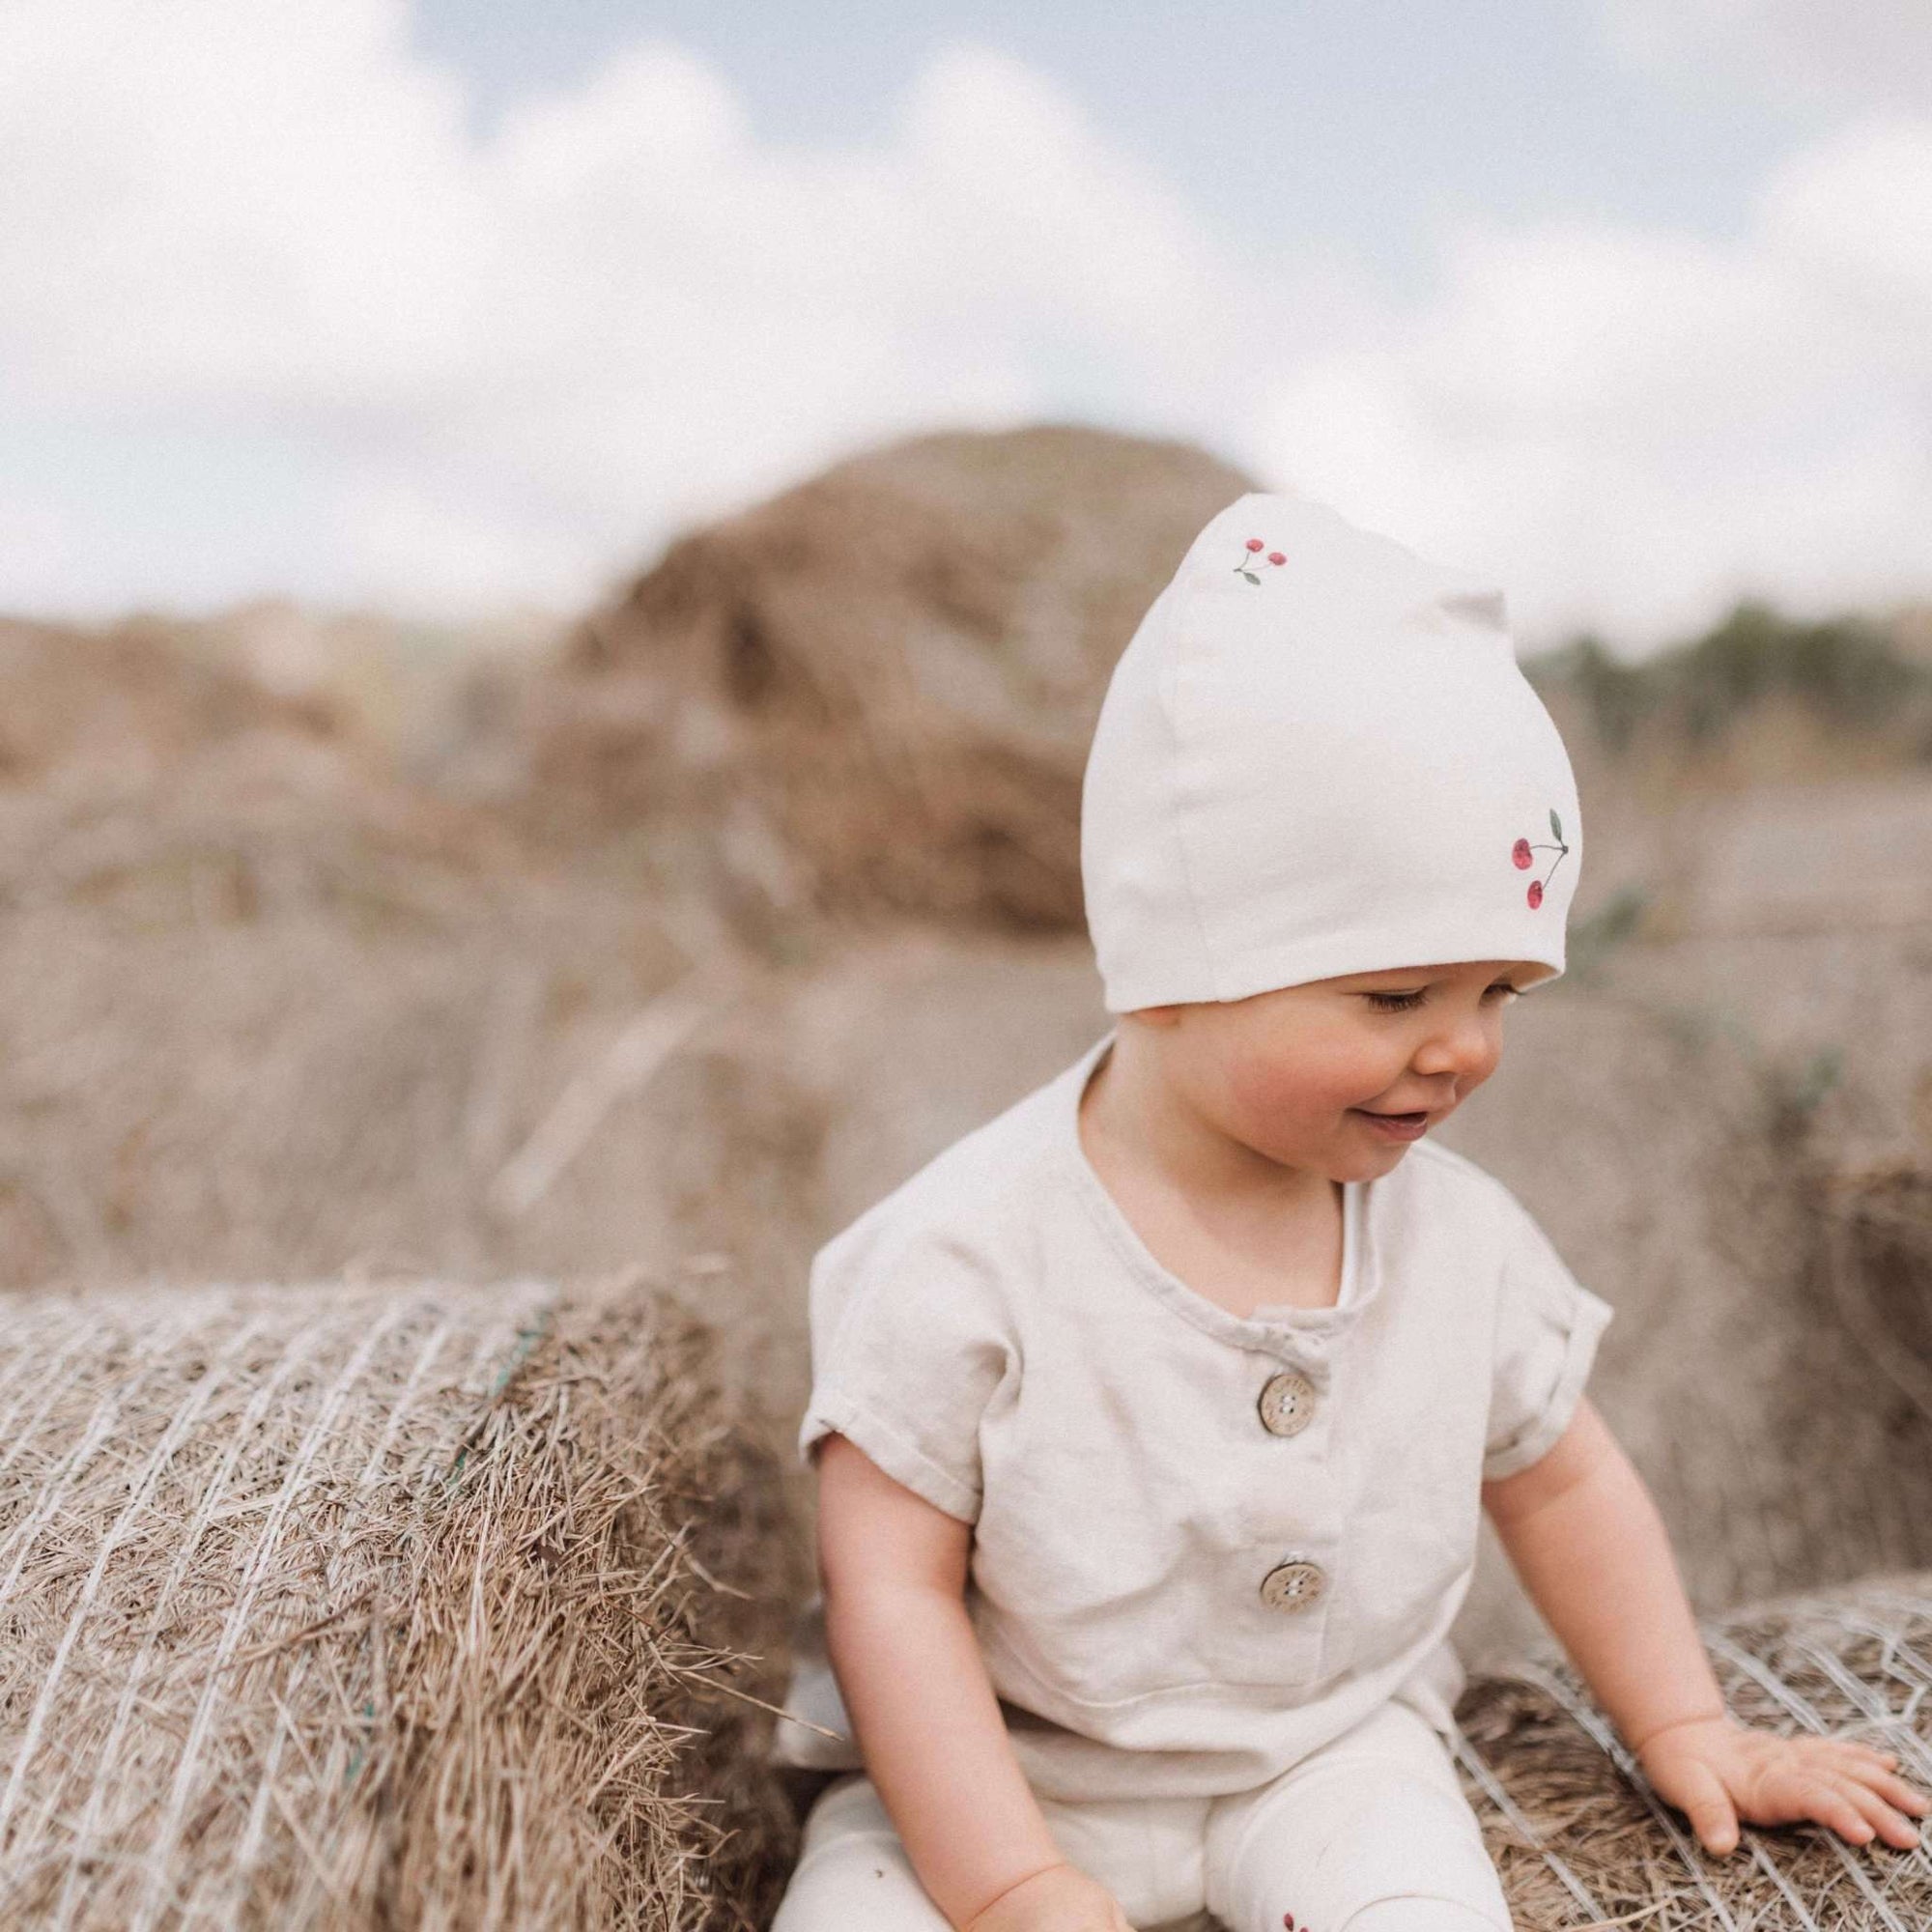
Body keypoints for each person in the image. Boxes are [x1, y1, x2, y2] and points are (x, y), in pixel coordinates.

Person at [762, 492, 1928, 1932]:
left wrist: (1691, 1729)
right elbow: (891, 1593)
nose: (1466, 1050)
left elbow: (1561, 1480)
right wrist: (1009, 1887)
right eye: (1395, 996)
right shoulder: (960, 1258)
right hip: (997, 1778)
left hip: (1326, 1758)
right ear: (1170, 960)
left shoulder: (1465, 1242)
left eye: (1499, 992)